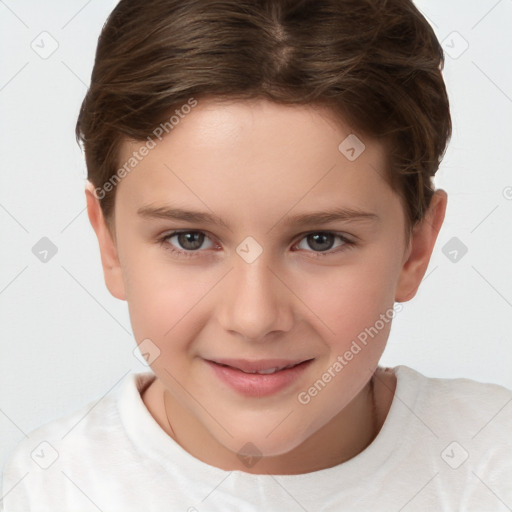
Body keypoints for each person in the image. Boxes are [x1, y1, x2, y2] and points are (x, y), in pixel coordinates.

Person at [2, 0, 511, 510]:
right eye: (190, 239)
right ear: (109, 244)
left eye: (320, 240)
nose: (254, 317)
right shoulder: (48, 491)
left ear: (414, 250)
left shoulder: (493, 465)